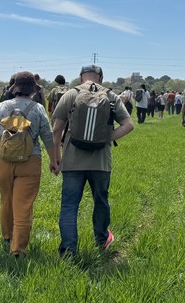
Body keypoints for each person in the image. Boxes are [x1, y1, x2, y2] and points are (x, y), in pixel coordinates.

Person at [52, 65, 134, 257]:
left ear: (81, 77)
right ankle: (102, 239)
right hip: (101, 162)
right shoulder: (111, 97)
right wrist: (105, 137)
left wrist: (56, 158)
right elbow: (129, 125)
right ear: (101, 77)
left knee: (69, 206)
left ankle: (68, 250)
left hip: (72, 161)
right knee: (101, 201)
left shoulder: (71, 94)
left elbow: (56, 130)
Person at [0, 71, 58, 256]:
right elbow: (48, 137)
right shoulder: (38, 109)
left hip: (2, 160)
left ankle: (7, 236)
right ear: (33, 90)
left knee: (6, 199)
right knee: (23, 205)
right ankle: (18, 248)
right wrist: (53, 160)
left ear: (15, 89)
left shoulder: (2, 106)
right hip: (30, 161)